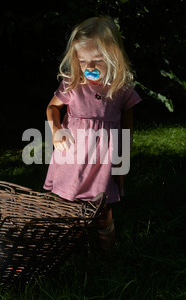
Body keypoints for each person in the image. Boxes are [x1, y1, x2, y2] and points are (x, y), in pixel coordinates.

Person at [43, 16, 141, 250]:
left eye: (97, 60)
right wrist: (56, 130)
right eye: (83, 59)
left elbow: (127, 131)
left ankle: (107, 254)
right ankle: (67, 249)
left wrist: (122, 164)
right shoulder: (73, 84)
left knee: (102, 207)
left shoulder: (121, 89)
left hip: (103, 161)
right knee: (67, 204)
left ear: (113, 55)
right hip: (72, 157)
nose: (89, 68)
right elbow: (52, 107)